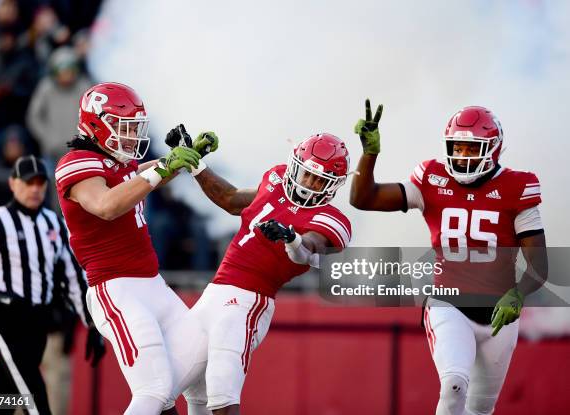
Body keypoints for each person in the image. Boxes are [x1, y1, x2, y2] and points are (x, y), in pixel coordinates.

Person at [349, 101, 548, 415]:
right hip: (448, 303)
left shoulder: (517, 186)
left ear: (493, 149)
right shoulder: (431, 178)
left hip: (499, 314)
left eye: (472, 148)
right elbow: (364, 198)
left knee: (480, 410)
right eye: (458, 147)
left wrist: (519, 293)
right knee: (454, 385)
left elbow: (539, 264)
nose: (463, 156)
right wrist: (369, 153)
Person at [168, 126, 352, 415]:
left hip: (248, 301)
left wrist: (292, 239)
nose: (309, 183)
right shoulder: (275, 179)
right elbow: (230, 199)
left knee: (221, 392)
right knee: (161, 389)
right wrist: (197, 165)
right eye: (307, 174)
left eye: (319, 180)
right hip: (213, 293)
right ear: (295, 165)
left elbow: (311, 249)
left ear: (333, 185)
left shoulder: (331, 219)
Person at [55, 82, 208, 415]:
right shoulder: (76, 161)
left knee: (202, 369)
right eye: (124, 128)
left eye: (134, 128)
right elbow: (107, 205)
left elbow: (135, 176)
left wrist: (177, 160)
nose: (130, 136)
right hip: (116, 289)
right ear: (96, 124)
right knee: (152, 390)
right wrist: (165, 167)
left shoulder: (116, 162)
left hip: (152, 284)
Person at [0, 155, 105, 415]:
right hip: (2, 317)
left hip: (37, 321)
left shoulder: (55, 224)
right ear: (13, 184)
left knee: (5, 393)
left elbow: (72, 278)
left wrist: (92, 323)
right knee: (31, 388)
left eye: (40, 183)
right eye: (28, 182)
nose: (35, 188)